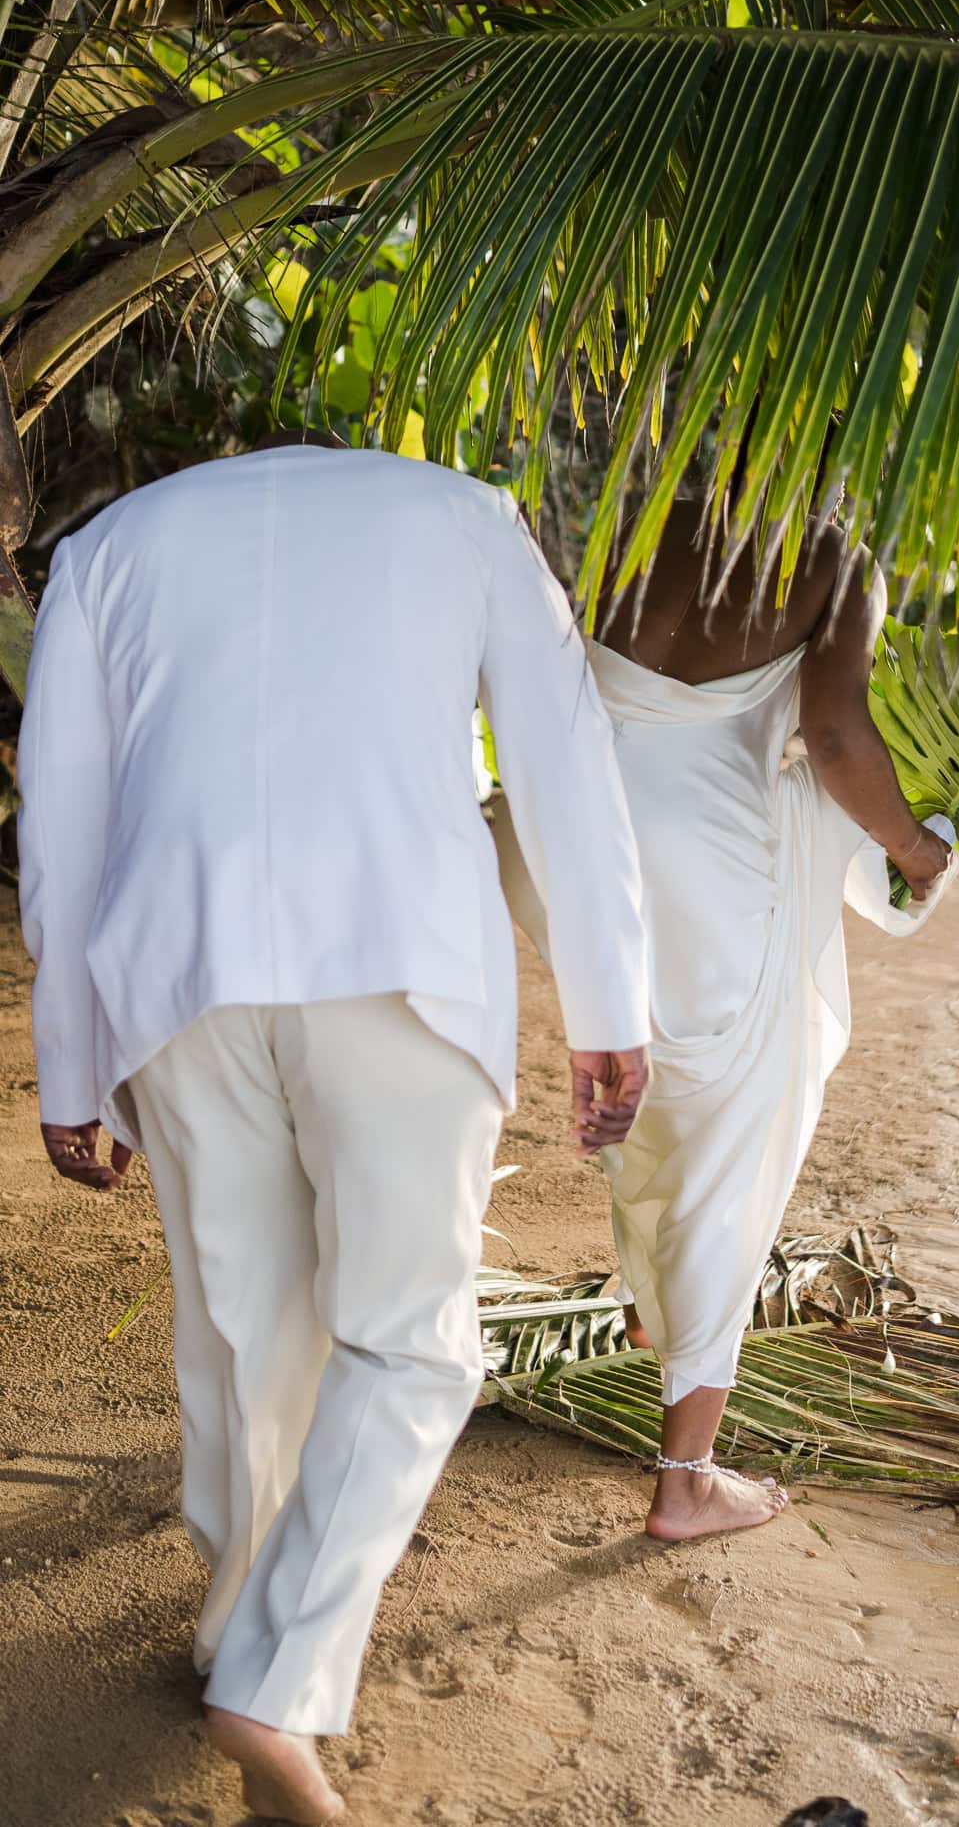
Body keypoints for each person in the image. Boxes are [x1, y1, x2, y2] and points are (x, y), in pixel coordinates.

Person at [17, 443, 651, 1827]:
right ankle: (278, 1677)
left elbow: (61, 814)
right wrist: (610, 1003)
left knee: (243, 1330)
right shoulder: (466, 517)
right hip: (401, 960)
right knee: (411, 1338)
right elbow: (563, 758)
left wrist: (70, 1065)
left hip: (181, 976)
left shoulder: (113, 543)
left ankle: (232, 1630)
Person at [493, 494, 956, 1545]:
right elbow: (833, 737)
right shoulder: (833, 552)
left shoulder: (638, 515)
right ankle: (687, 1477)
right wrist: (920, 852)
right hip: (700, 853)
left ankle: (652, 1309)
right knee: (734, 1131)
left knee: (651, 1079)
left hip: (573, 834)